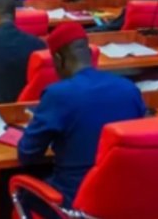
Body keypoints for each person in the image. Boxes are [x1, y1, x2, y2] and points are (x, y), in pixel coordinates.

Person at [17, 22, 146, 216]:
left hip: (72, 201)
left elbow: (27, 154)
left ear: (58, 59)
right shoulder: (129, 89)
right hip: (121, 199)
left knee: (19, 193)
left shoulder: (58, 95)